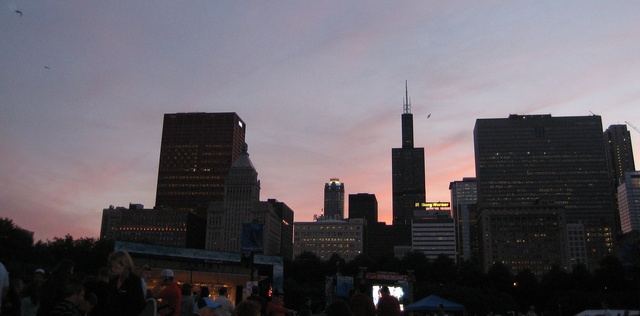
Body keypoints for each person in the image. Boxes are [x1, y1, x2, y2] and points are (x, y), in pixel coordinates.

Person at [106, 250, 146, 316]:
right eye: (111, 266)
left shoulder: (134, 281)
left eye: (115, 266)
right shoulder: (113, 280)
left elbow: (139, 304)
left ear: (124, 265)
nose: (112, 268)